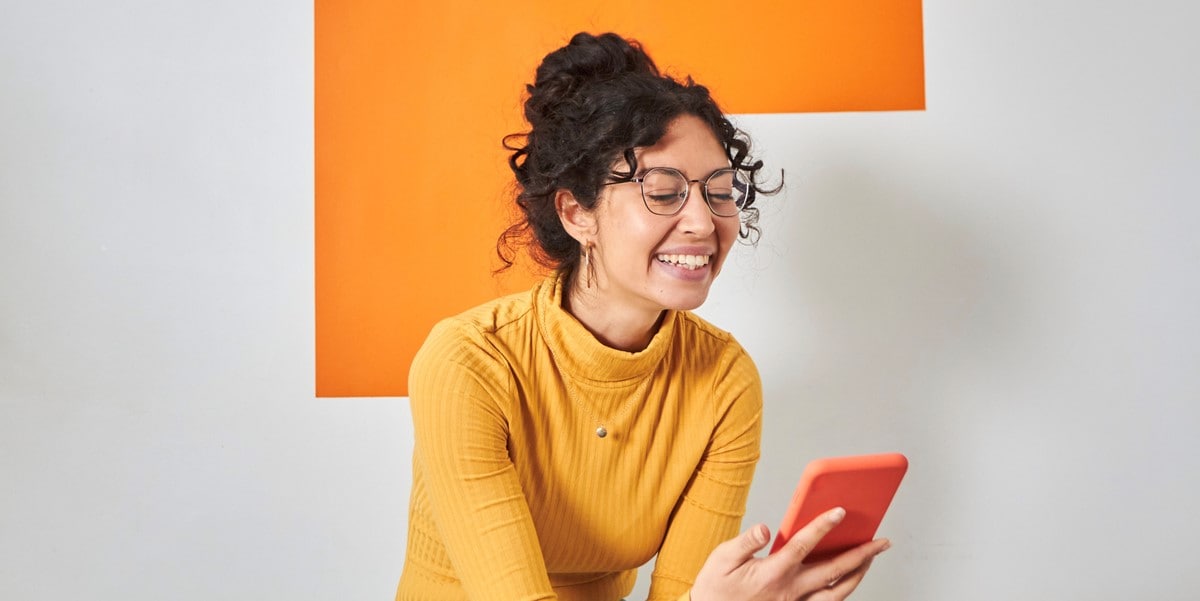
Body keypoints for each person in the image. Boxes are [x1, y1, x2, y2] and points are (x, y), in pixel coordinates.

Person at [396, 32, 889, 601]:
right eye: (664, 191)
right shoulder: (469, 362)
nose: (704, 224)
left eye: (720, 191)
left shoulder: (724, 381)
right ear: (577, 213)